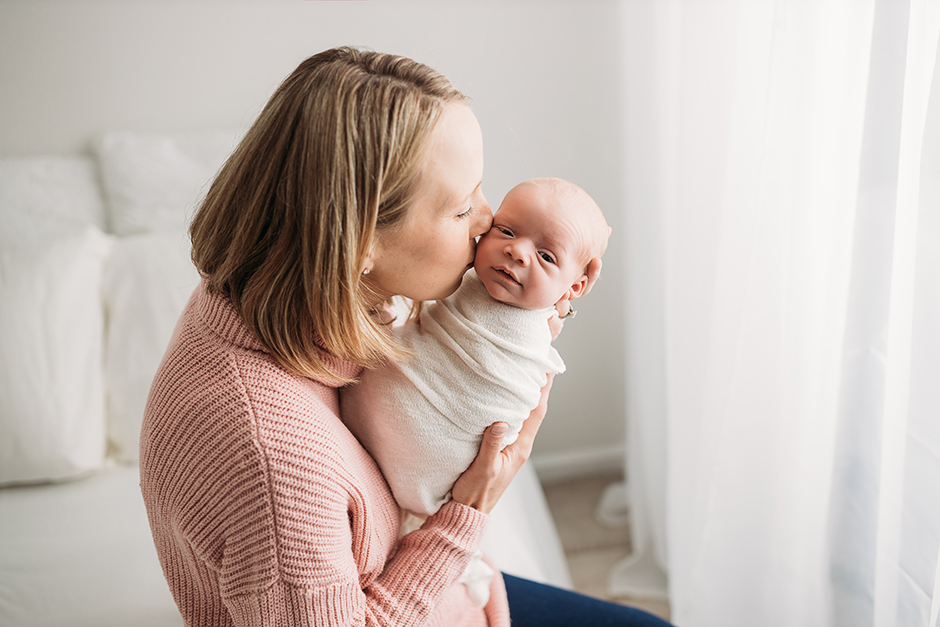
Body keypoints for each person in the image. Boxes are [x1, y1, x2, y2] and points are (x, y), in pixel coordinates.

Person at [139, 46, 672, 627]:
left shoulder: (263, 290)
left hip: (455, 591)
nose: (488, 220)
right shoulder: (273, 467)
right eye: (461, 206)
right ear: (361, 241)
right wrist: (465, 513)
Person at [341, 177, 610, 520]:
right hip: (375, 418)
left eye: (545, 255)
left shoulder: (537, 334)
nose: (517, 251)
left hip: (437, 465)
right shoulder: (457, 274)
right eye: (507, 231)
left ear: (576, 285)